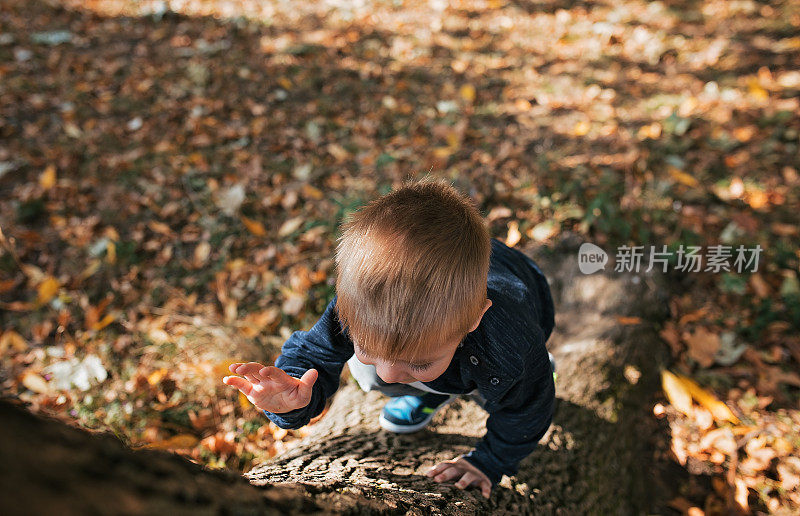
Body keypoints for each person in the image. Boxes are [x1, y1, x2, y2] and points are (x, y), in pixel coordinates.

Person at [223, 178, 556, 498]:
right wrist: (296, 397)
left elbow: (529, 409)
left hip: (521, 316)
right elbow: (315, 353)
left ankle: (505, 375)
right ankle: (432, 389)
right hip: (465, 342)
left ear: (474, 319)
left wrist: (489, 462)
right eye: (367, 346)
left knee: (512, 385)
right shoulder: (363, 304)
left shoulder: (511, 342)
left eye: (419, 362)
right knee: (366, 371)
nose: (388, 375)